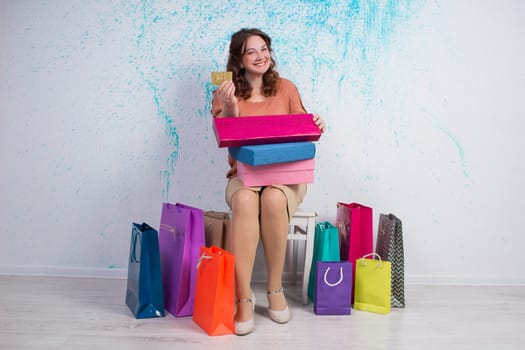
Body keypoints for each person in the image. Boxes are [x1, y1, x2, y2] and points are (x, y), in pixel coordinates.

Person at [211, 28, 326, 336]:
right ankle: (244, 296)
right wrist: (230, 106)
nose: (261, 56)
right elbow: (226, 141)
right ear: (239, 59)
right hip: (245, 175)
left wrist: (317, 124)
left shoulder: (286, 88)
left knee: (273, 198)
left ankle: (275, 289)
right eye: (252, 51)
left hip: (286, 178)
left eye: (264, 49)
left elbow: (304, 131)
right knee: (247, 199)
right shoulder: (223, 91)